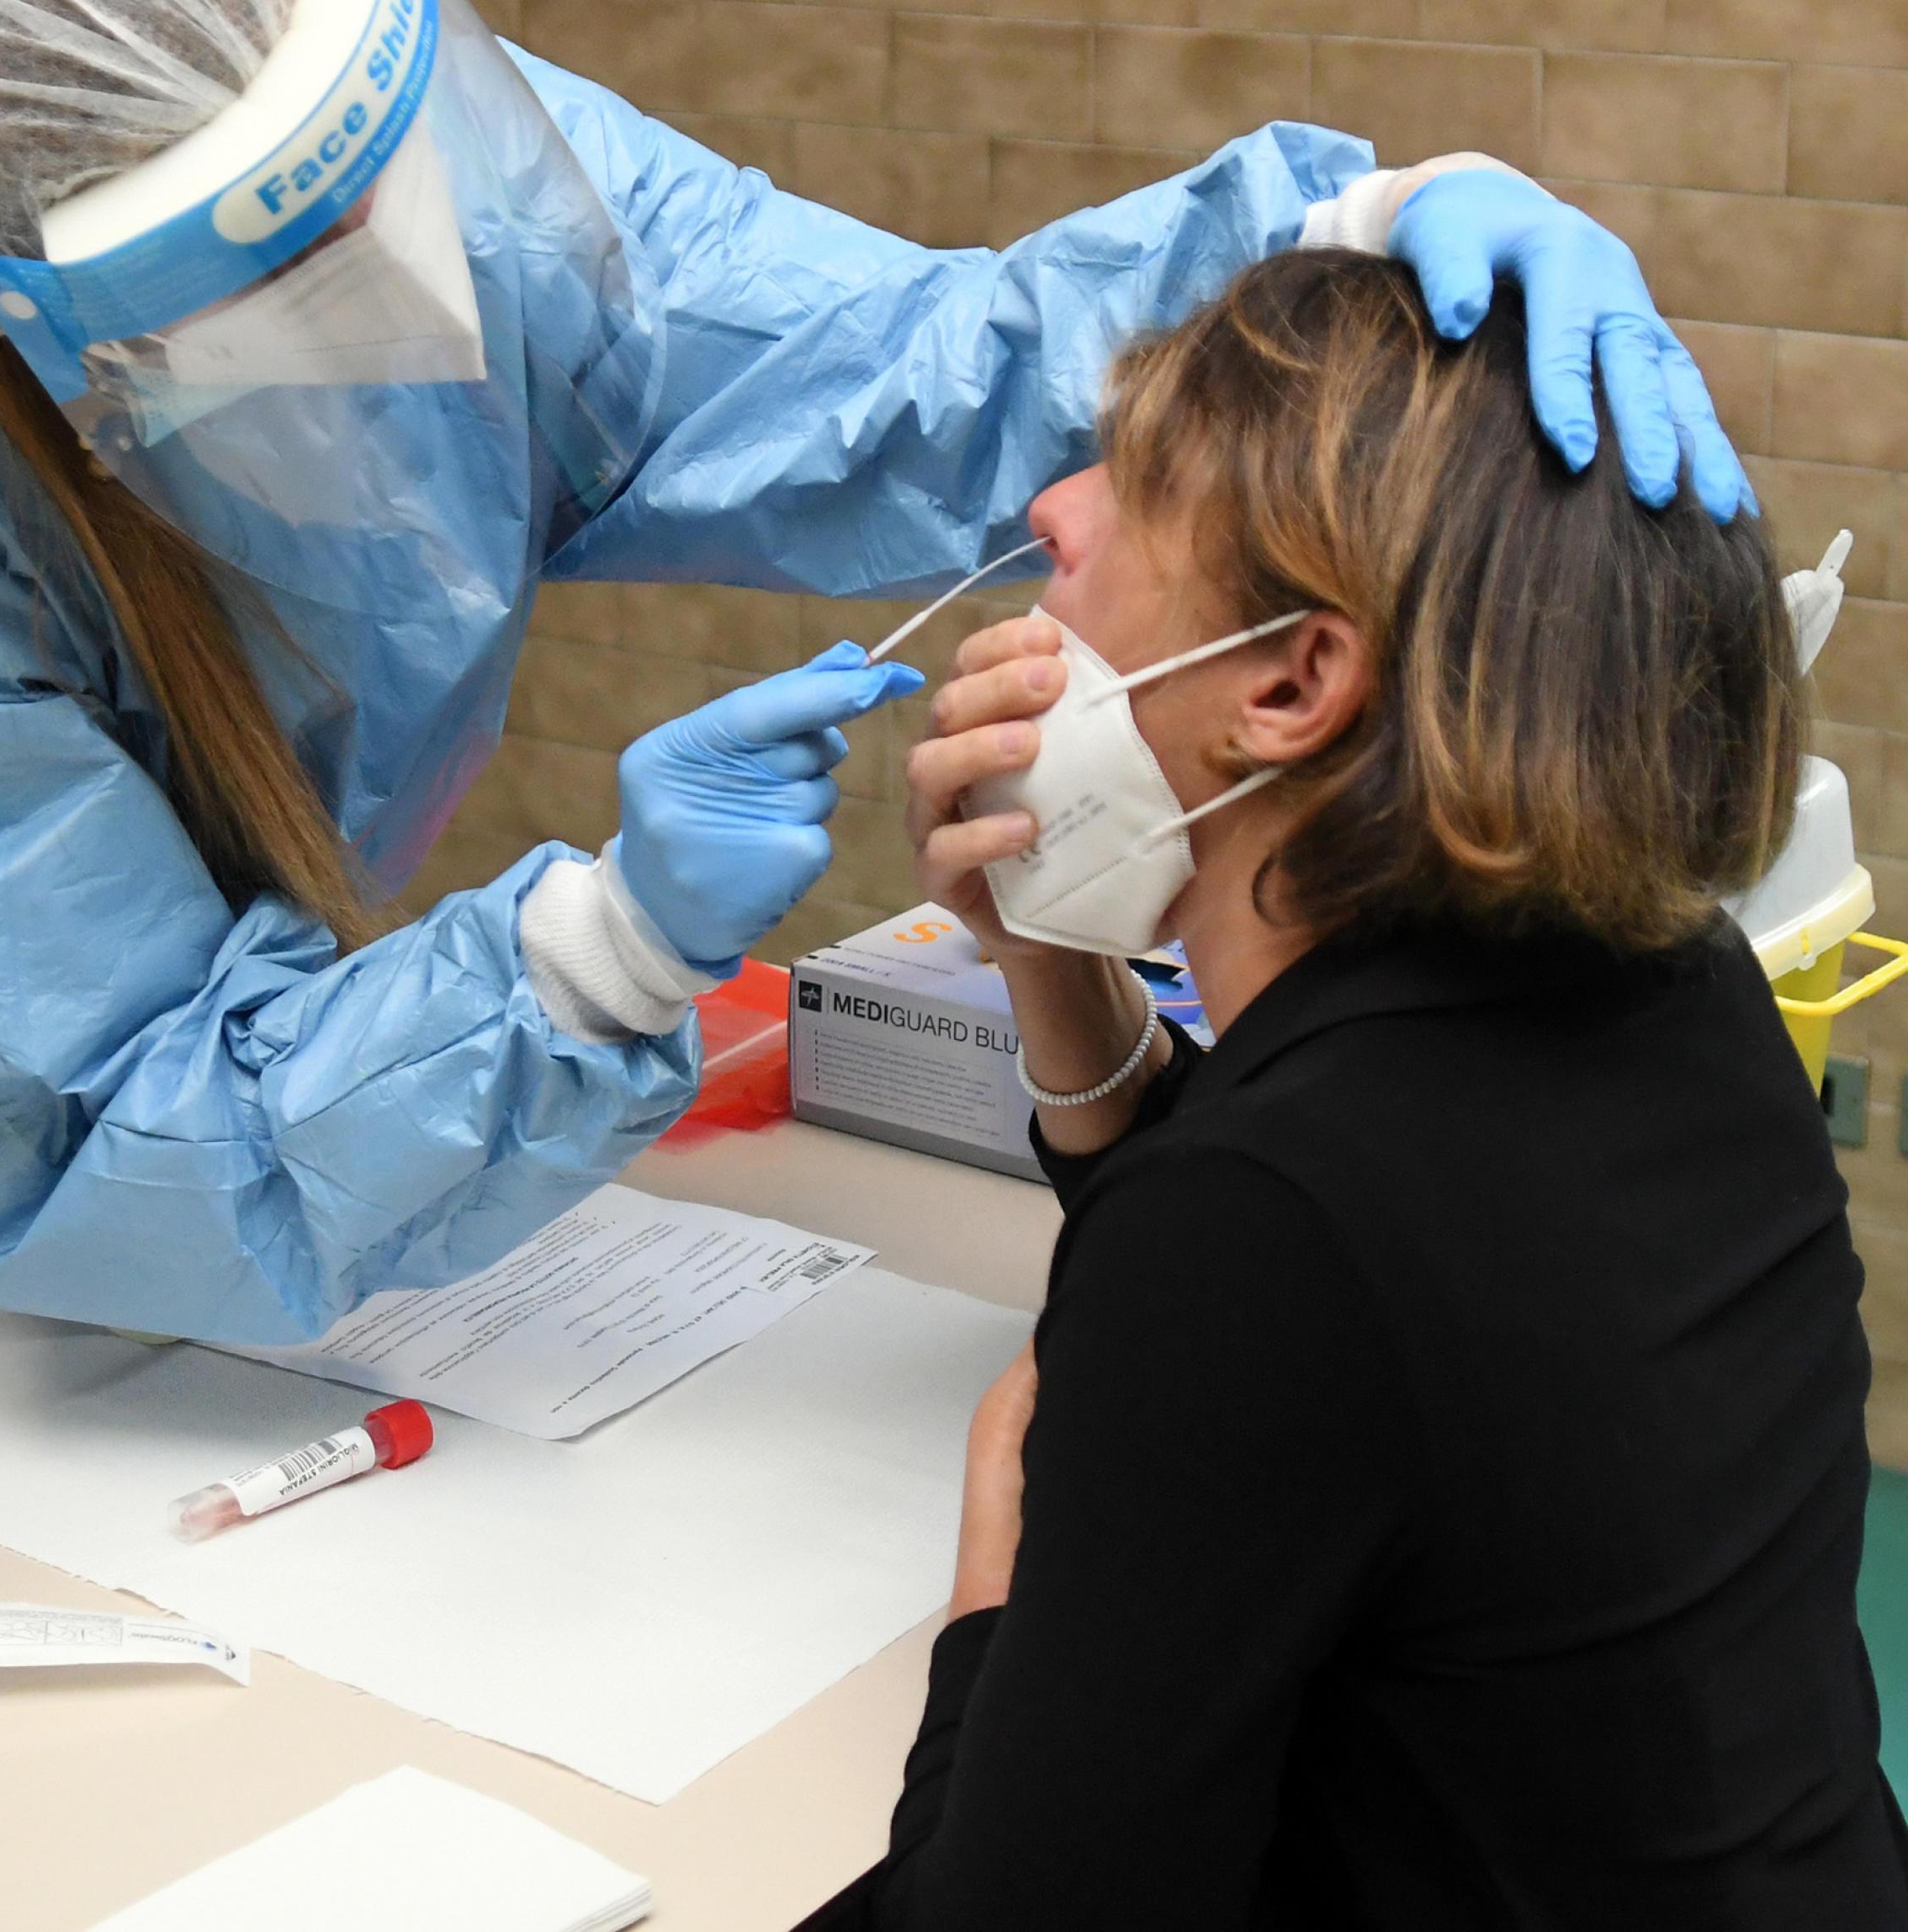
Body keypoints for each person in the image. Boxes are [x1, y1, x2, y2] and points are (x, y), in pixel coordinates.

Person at [0, 0, 1746, 1347]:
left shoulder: (459, 187)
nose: (424, 292)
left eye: (386, 181)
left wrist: (1321, 239)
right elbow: (86, 1145)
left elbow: (905, 370)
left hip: (98, 1291)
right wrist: (596, 957)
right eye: (286, 274)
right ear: (42, 310)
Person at [805, 246, 1907, 1928]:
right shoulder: (1673, 987)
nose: (1050, 513)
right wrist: (1049, 942)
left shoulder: (1270, 1227)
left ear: (1289, 684)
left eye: (1133, 484)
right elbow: (1338, 1296)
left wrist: (990, 1611)